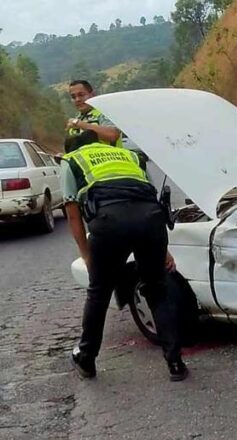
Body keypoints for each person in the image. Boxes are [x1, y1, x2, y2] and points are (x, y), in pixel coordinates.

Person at [61, 129, 188, 382]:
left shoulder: (72, 160)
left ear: (71, 148)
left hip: (110, 223)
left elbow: (72, 211)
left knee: (98, 292)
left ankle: (86, 359)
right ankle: (175, 362)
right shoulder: (129, 155)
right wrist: (164, 250)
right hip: (151, 222)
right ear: (98, 143)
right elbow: (152, 200)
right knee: (157, 290)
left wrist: (86, 254)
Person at [66, 80, 122, 146]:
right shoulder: (76, 120)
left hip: (111, 155)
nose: (77, 99)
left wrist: (79, 123)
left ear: (92, 95)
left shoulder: (104, 112)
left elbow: (112, 135)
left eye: (81, 95)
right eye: (73, 97)